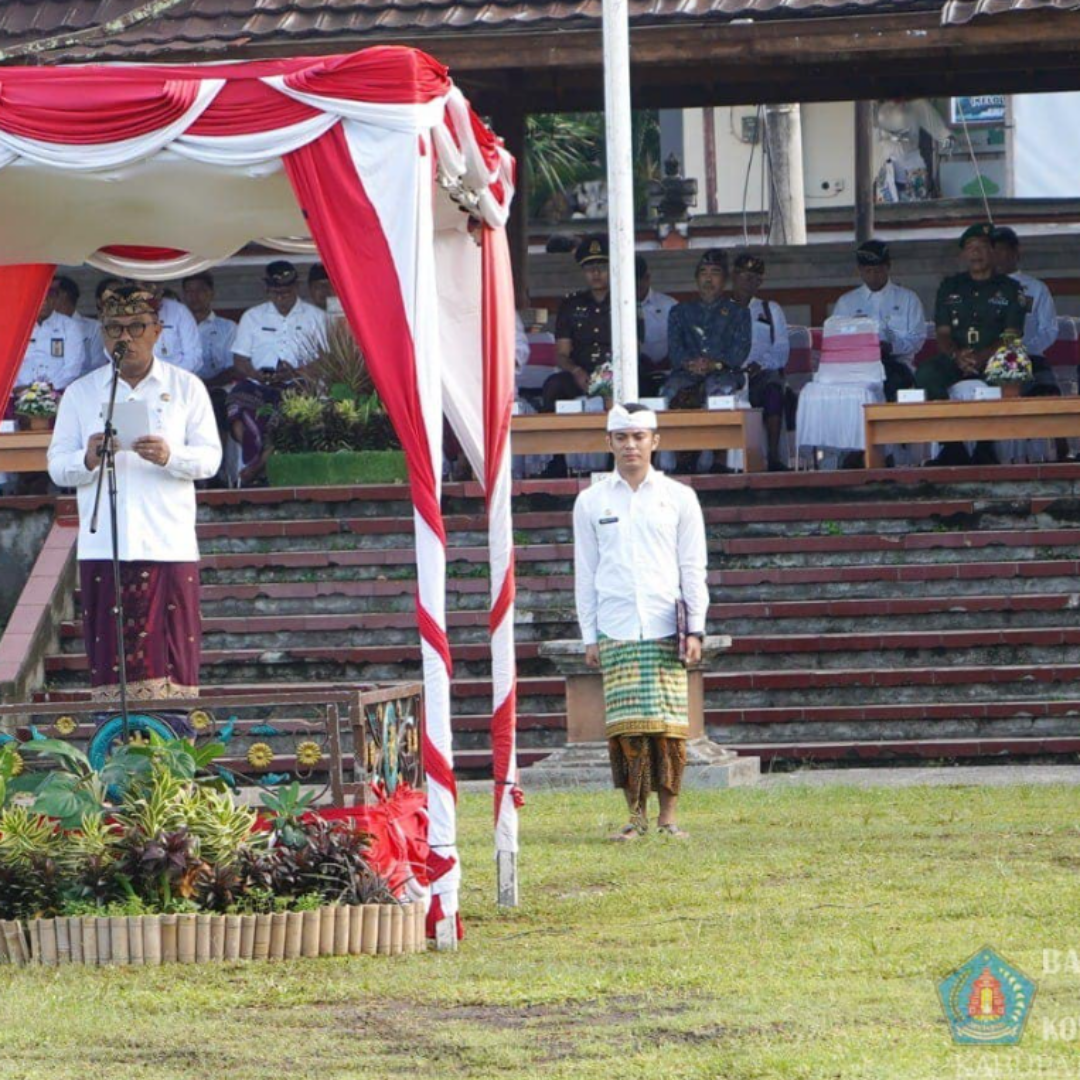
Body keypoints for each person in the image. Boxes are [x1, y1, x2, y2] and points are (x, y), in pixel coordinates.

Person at [46, 283, 221, 700]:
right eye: (114, 329)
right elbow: (56, 466)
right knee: (112, 661)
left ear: (157, 331)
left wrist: (170, 455)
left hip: (168, 540)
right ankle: (117, 752)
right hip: (105, 542)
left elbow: (210, 459)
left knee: (173, 655)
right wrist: (87, 459)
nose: (125, 337)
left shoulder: (186, 387)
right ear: (103, 335)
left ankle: (174, 754)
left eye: (136, 327)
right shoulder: (83, 392)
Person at [573, 403, 708, 841]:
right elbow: (586, 572)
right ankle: (636, 817)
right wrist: (589, 635)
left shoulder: (679, 497)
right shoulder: (592, 501)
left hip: (665, 626)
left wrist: (696, 628)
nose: (631, 445)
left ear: (655, 441)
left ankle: (668, 818)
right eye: (622, 437)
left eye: (639, 436)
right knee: (627, 731)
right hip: (616, 626)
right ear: (608, 442)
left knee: (669, 729)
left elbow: (693, 568)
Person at [916, 222, 1025, 466]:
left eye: (983, 247)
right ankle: (952, 446)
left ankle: (987, 447)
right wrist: (957, 356)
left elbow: (1012, 335)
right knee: (926, 374)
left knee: (1013, 370)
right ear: (963, 254)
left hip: (994, 357)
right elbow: (942, 332)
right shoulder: (950, 287)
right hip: (957, 358)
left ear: (994, 252)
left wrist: (982, 357)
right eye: (970, 248)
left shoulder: (1011, 289)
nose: (976, 253)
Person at [228, 260, 329, 484]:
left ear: (296, 288)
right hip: (258, 385)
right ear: (268, 290)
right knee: (238, 412)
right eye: (275, 292)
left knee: (290, 417)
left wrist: (297, 372)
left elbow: (325, 361)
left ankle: (256, 467)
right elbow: (240, 359)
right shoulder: (252, 316)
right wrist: (256, 374)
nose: (281, 297)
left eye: (286, 291)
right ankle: (257, 460)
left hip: (299, 385)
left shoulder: (316, 317)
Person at [833, 239, 926, 400]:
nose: (874, 276)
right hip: (859, 367)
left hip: (898, 365)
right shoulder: (847, 302)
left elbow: (917, 339)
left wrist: (890, 347)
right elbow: (837, 340)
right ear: (860, 270)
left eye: (878, 271)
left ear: (888, 267)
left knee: (894, 380)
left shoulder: (908, 299)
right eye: (868, 271)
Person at [730, 252, 790, 471]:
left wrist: (761, 365)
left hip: (760, 374)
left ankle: (774, 457)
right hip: (729, 374)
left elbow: (782, 350)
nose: (750, 283)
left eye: (756, 279)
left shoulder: (769, 309)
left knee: (774, 386)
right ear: (734, 276)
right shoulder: (721, 309)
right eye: (746, 277)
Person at [544, 234, 612, 412]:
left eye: (602, 267)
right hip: (580, 373)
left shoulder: (625, 302)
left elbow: (634, 348)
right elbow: (562, 354)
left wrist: (607, 376)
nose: (596, 273)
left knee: (646, 384)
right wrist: (576, 371)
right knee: (554, 386)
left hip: (618, 372)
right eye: (590, 267)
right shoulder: (570, 305)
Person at [12, 287, 85, 395]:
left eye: (49, 296)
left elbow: (73, 366)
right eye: (40, 296)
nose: (44, 301)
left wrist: (50, 387)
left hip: (56, 394)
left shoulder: (69, 326)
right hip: (17, 393)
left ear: (55, 299)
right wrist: (15, 388)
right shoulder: (16, 325)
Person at [131, 279, 202, 375]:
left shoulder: (179, 311)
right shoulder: (124, 314)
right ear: (133, 285)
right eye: (146, 284)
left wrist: (169, 378)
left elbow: (194, 356)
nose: (153, 288)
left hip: (175, 381)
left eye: (157, 282)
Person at [636, 254, 677, 396]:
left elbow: (681, 341)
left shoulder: (669, 305)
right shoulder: (615, 307)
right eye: (632, 279)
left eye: (640, 279)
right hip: (633, 376)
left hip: (668, 373)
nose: (636, 284)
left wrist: (667, 360)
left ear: (647, 277)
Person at [50, 276, 98, 375]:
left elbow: (98, 367)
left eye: (51, 293)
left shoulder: (93, 328)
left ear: (64, 295)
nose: (45, 298)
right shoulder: (44, 329)